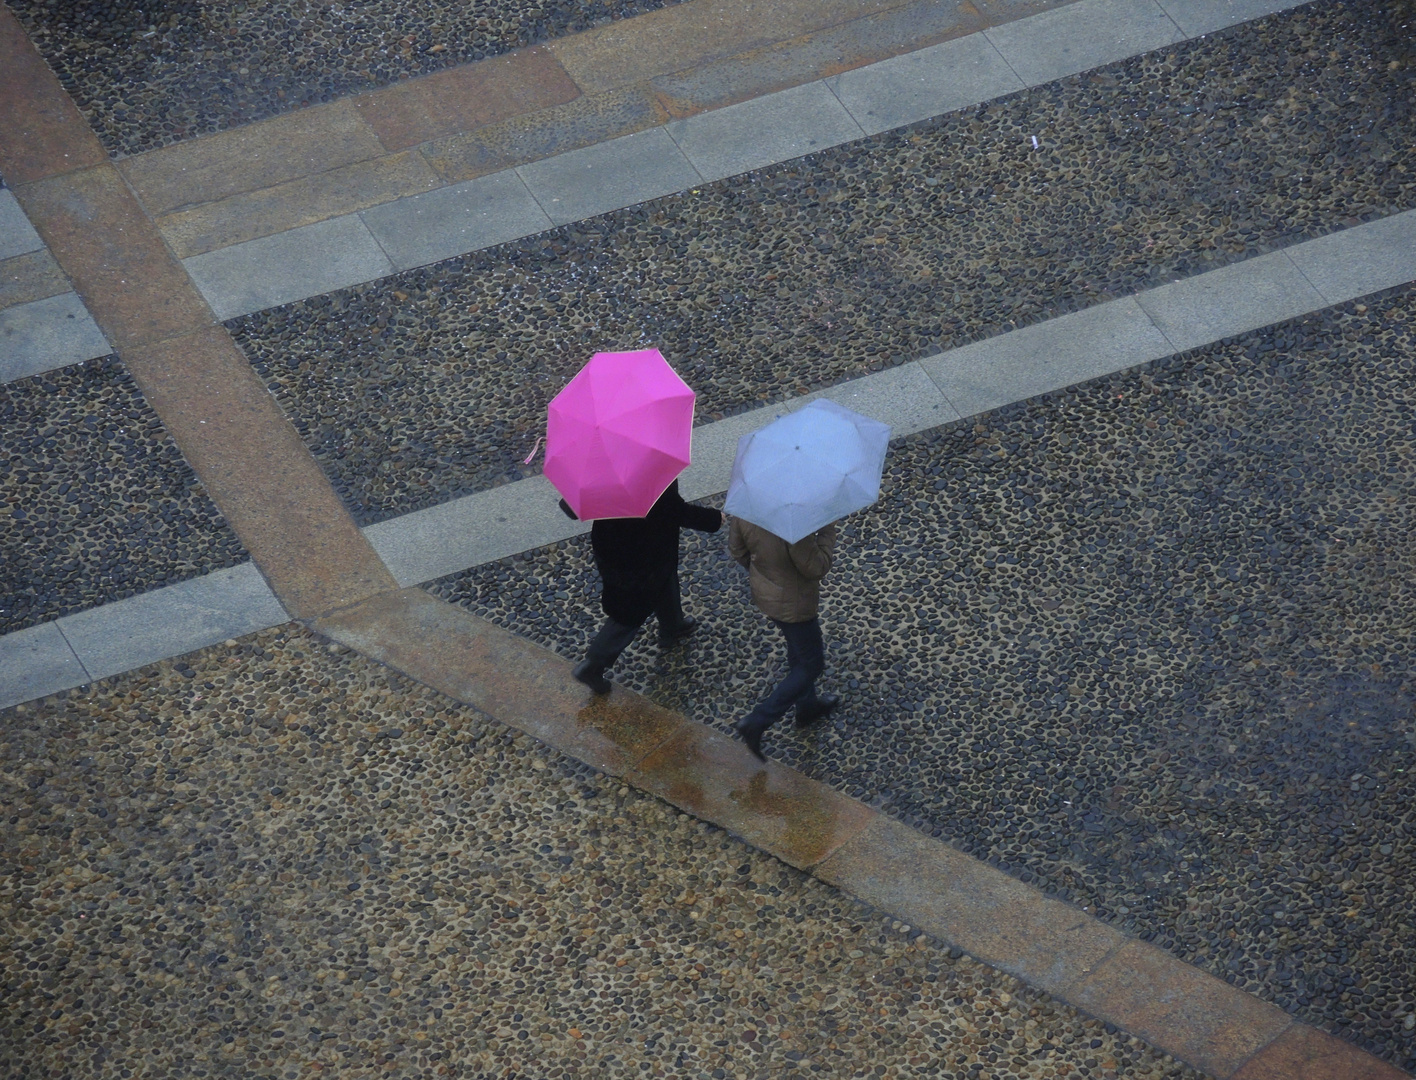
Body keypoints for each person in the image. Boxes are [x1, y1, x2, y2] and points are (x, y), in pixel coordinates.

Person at [560, 480, 722, 695]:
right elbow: (673, 510)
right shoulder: (649, 476)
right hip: (643, 554)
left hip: (612, 545)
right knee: (629, 613)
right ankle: (592, 666)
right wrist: (715, 519)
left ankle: (673, 625)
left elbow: (569, 508)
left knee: (663, 581)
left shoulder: (601, 472)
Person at [728, 516, 841, 761]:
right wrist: (827, 529)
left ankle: (807, 707)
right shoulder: (793, 524)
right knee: (811, 665)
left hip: (768, 596)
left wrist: (766, 575)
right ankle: (758, 720)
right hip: (795, 604)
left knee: (797, 651)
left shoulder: (746, 510)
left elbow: (738, 550)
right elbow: (817, 567)